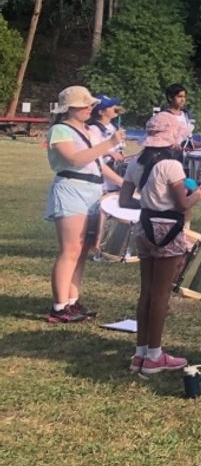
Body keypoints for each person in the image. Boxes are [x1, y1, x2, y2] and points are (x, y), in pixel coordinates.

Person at [119, 111, 201, 376]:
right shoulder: (171, 166)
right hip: (168, 230)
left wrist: (149, 204)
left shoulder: (135, 162)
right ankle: (154, 356)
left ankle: (140, 353)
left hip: (144, 228)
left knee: (146, 292)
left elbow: (124, 200)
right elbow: (183, 204)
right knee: (161, 294)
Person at [44, 86, 127, 323]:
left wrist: (124, 185)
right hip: (71, 189)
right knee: (70, 250)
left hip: (93, 191)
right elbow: (74, 159)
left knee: (82, 251)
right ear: (70, 108)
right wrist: (109, 142)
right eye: (86, 104)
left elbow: (99, 165)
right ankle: (59, 307)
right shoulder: (60, 130)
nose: (91, 108)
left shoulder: (90, 130)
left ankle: (72, 301)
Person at [88, 94, 127, 190]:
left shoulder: (114, 127)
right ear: (101, 112)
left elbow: (118, 149)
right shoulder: (93, 129)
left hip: (115, 175)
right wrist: (110, 153)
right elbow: (90, 152)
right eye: (111, 106)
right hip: (102, 181)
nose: (115, 108)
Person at [162, 83, 201, 148]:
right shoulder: (163, 117)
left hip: (187, 154)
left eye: (184, 97)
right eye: (180, 96)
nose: (183, 100)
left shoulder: (187, 116)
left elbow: (188, 142)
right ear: (170, 98)